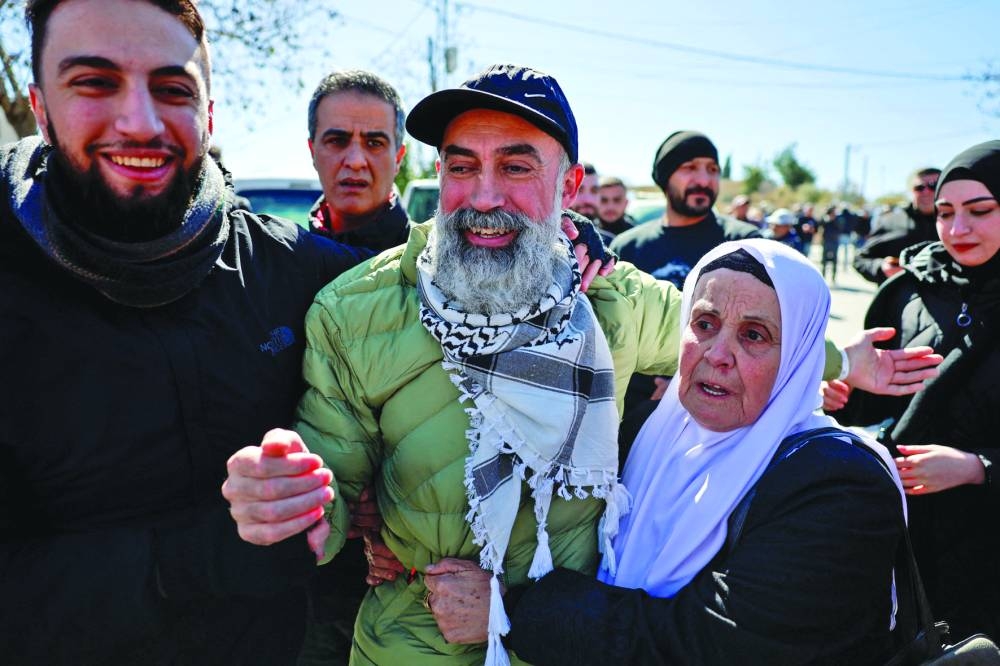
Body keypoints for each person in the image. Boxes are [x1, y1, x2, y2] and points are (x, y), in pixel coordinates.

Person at [221, 65, 938, 666]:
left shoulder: (611, 300)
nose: (485, 196)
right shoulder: (358, 309)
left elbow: (727, 343)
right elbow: (330, 478)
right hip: (416, 641)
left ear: (570, 184)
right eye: (462, 166)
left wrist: (844, 359)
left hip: (570, 644)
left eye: (517, 166)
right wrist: (299, 512)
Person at [0, 0, 369, 663]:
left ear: (209, 112)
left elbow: (411, 292)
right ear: (40, 106)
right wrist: (192, 561)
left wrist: (563, 247)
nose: (139, 121)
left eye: (172, 89)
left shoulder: (285, 266)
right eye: (93, 82)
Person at [421, 238, 908, 665]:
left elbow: (707, 646)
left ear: (799, 360)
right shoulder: (653, 436)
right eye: (705, 323)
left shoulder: (841, 485)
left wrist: (512, 610)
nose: (717, 353)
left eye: (754, 335)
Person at [826, 141, 1000, 640]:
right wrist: (841, 392)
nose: (957, 229)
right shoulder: (909, 290)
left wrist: (976, 468)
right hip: (901, 538)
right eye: (945, 212)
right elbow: (874, 405)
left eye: (980, 211)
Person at [609, 131, 760, 290]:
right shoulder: (626, 248)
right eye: (690, 167)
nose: (704, 180)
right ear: (666, 178)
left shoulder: (744, 243)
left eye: (713, 169)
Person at [306, 70, 414, 252]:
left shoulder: (431, 270)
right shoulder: (279, 265)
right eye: (337, 141)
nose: (355, 161)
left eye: (374, 143)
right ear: (312, 151)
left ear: (398, 158)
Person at [854, 167, 941, 284]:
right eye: (919, 188)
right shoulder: (891, 220)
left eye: (933, 186)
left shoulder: (960, 223)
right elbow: (860, 259)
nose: (926, 192)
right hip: (900, 298)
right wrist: (880, 267)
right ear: (911, 191)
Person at [595, 175, 634, 240]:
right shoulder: (586, 233)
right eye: (604, 200)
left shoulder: (637, 238)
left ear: (626, 203)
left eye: (617, 200)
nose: (610, 207)